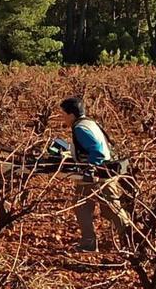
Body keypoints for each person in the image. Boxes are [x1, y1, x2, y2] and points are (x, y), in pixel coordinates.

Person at [58, 96, 130, 252]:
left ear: (71, 114)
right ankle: (130, 240)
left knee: (84, 207)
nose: (62, 117)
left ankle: (90, 244)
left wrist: (89, 169)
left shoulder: (79, 128)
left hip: (97, 176)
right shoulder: (89, 122)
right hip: (106, 172)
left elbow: (97, 151)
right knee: (110, 209)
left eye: (63, 114)